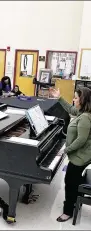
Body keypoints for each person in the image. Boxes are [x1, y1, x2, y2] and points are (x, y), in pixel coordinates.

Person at [49, 87, 91, 222]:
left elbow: (81, 140)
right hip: (82, 155)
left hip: (80, 157)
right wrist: (59, 97)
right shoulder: (83, 111)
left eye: (76, 98)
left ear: (83, 100)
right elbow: (71, 110)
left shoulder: (85, 117)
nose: (73, 100)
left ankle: (68, 211)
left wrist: (65, 150)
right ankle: (72, 201)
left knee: (70, 182)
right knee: (73, 180)